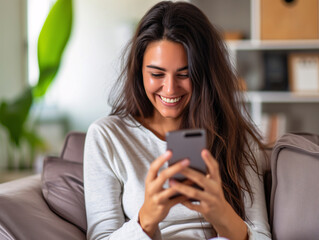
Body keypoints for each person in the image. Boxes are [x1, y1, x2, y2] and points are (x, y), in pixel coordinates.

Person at [83, 1, 271, 239]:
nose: (170, 89)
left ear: (204, 74)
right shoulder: (108, 136)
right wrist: (146, 219)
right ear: (139, 72)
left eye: (185, 74)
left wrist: (222, 214)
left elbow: (262, 236)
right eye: (157, 74)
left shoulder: (236, 136)